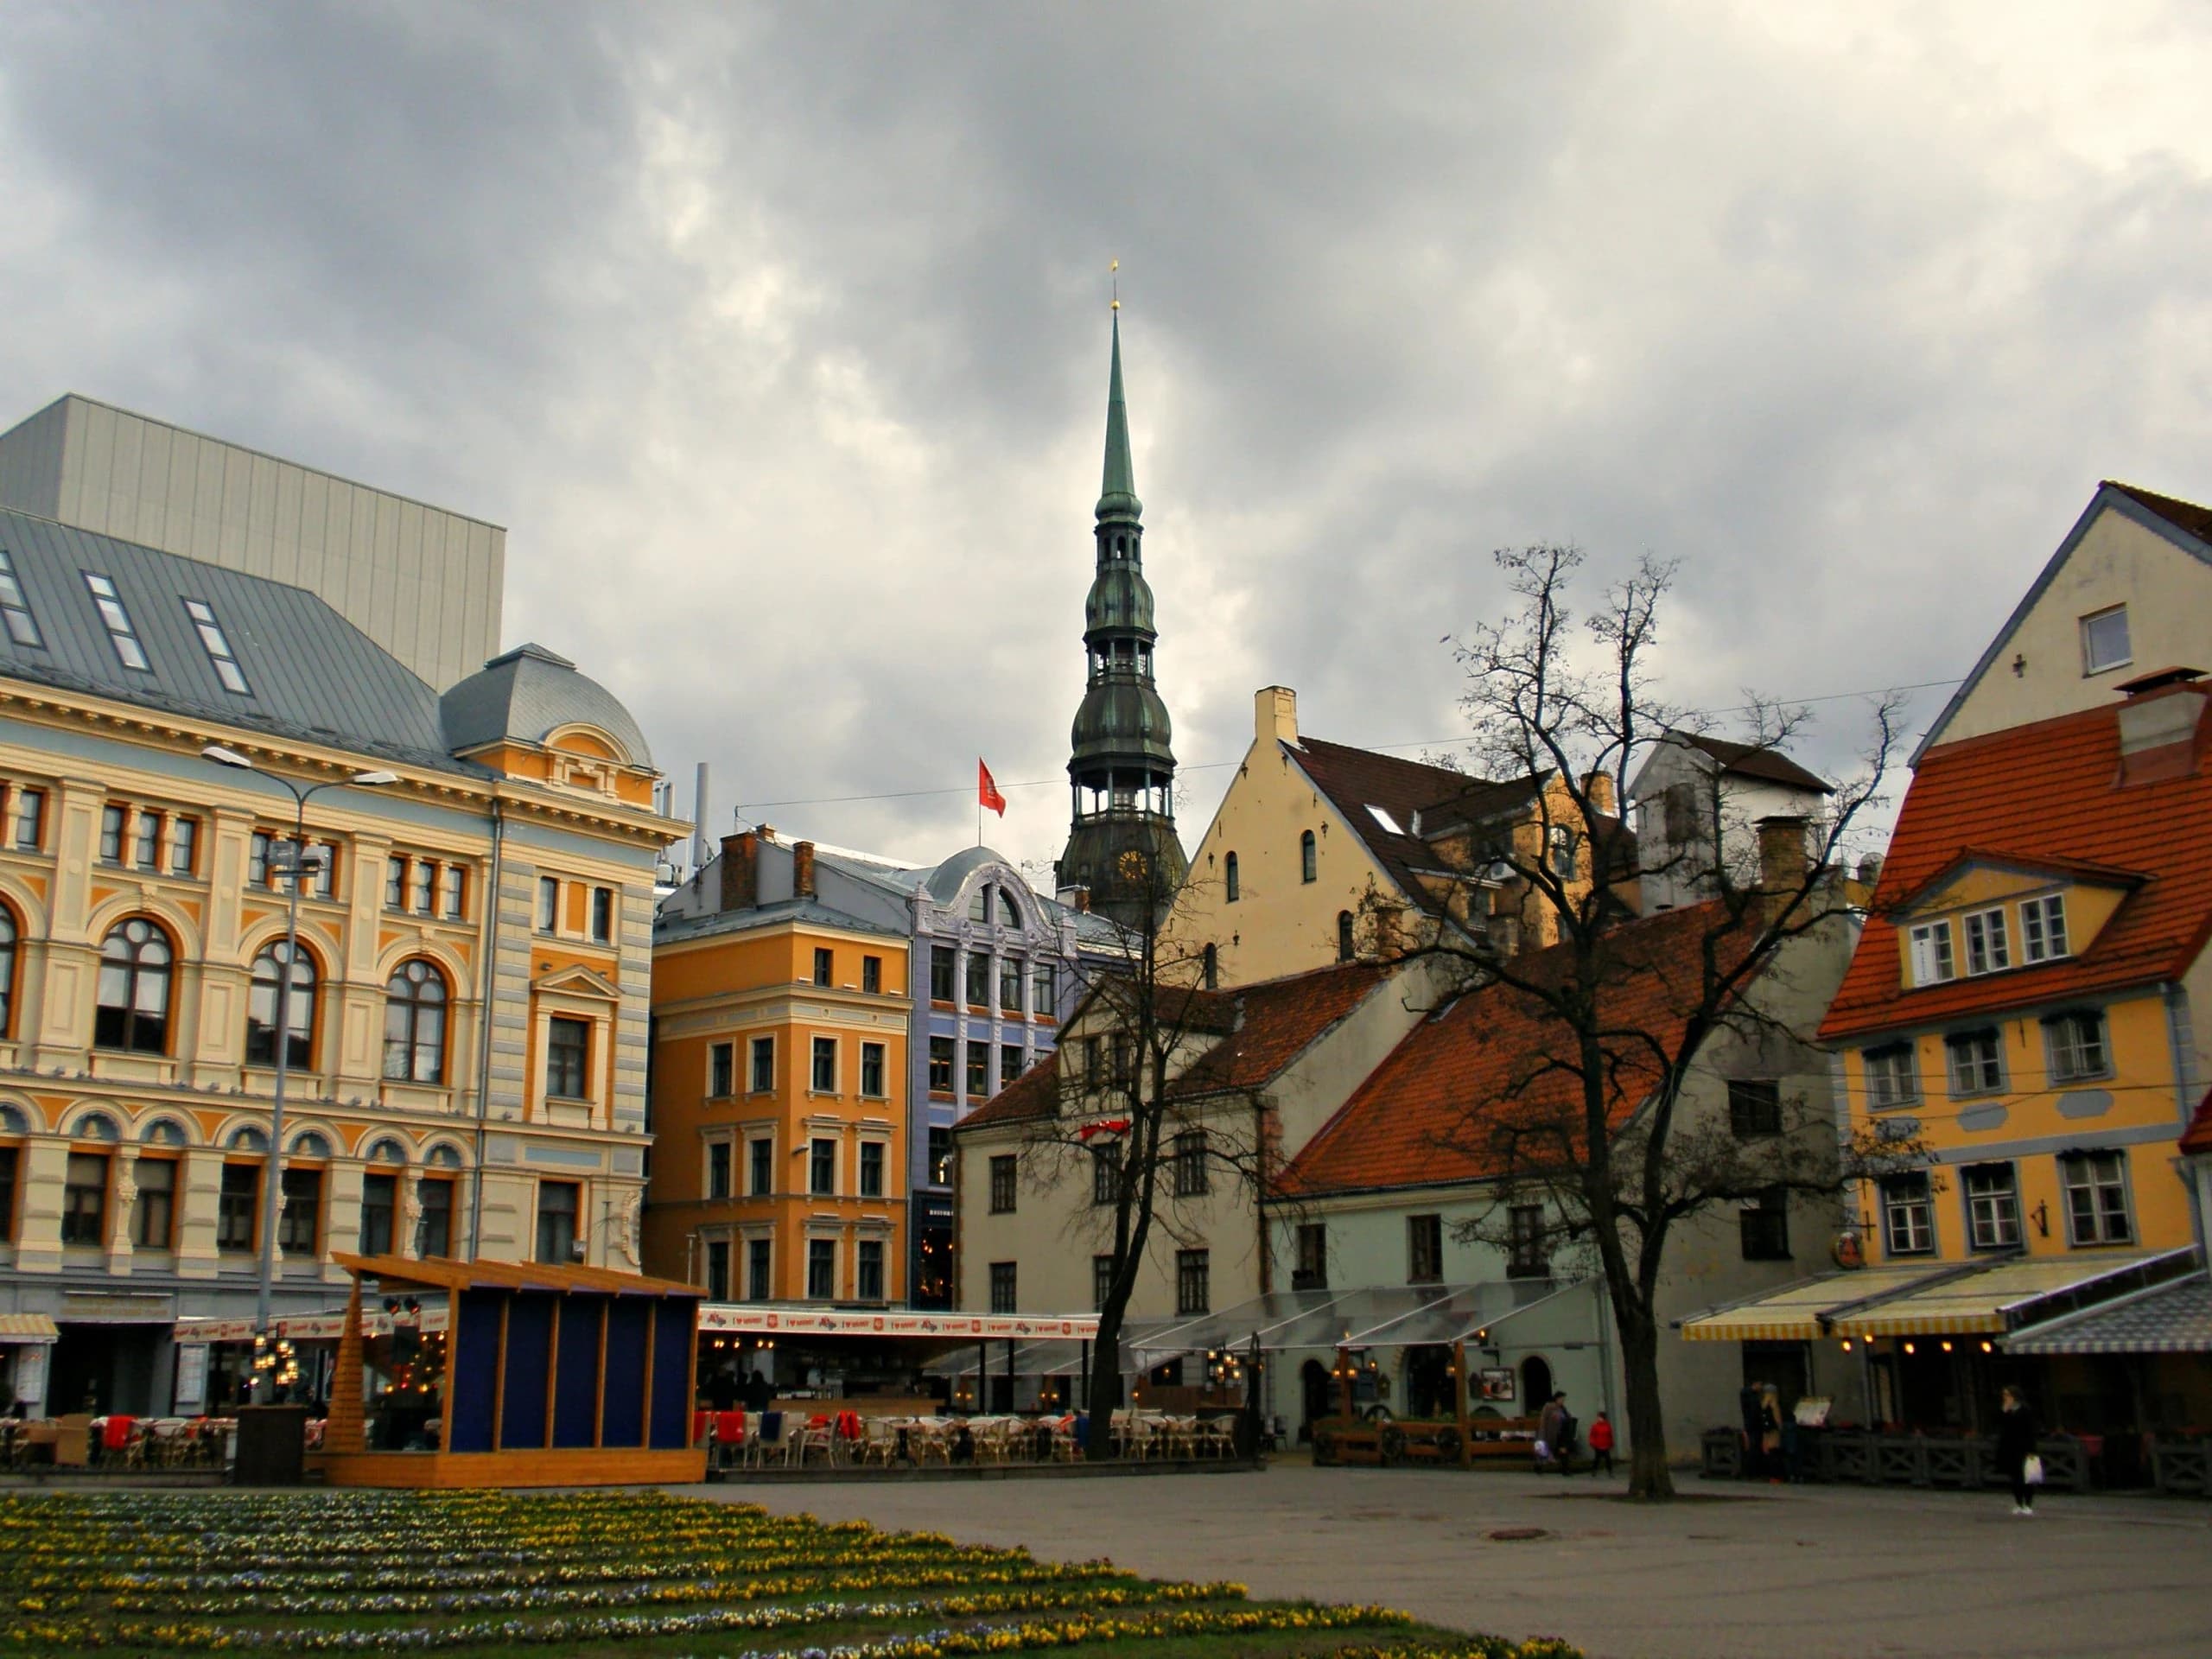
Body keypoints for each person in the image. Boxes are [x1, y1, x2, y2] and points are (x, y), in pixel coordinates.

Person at [1996, 1385, 2039, 1516]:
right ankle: (2018, 1502)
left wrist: (2032, 1449)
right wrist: (2004, 1411)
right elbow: (2001, 1426)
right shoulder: (2006, 1410)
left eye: (2008, 1395)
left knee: (2028, 1477)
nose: (2005, 1398)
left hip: (2026, 1447)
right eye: (2004, 1395)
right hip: (2010, 1448)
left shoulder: (2025, 1410)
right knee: (2015, 1477)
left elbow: (2030, 1430)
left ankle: (2028, 1504)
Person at [1759, 1386, 1783, 1484]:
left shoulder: (1763, 1404)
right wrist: (1781, 1427)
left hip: (1766, 1431)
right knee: (1775, 1452)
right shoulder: (1774, 1404)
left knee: (1769, 1453)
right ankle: (1777, 1476)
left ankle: (1772, 1476)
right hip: (1774, 1431)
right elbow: (1778, 1419)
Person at [1587, 1410, 1614, 1476]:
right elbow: (1592, 1435)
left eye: (1600, 1417)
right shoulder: (1595, 1426)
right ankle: (1594, 1470)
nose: (1599, 1419)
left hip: (1605, 1445)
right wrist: (1592, 1442)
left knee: (1608, 1459)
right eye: (1598, 1417)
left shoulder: (1607, 1426)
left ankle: (1610, 1471)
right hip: (1598, 1445)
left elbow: (1610, 1435)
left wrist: (1611, 1443)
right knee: (1597, 1459)